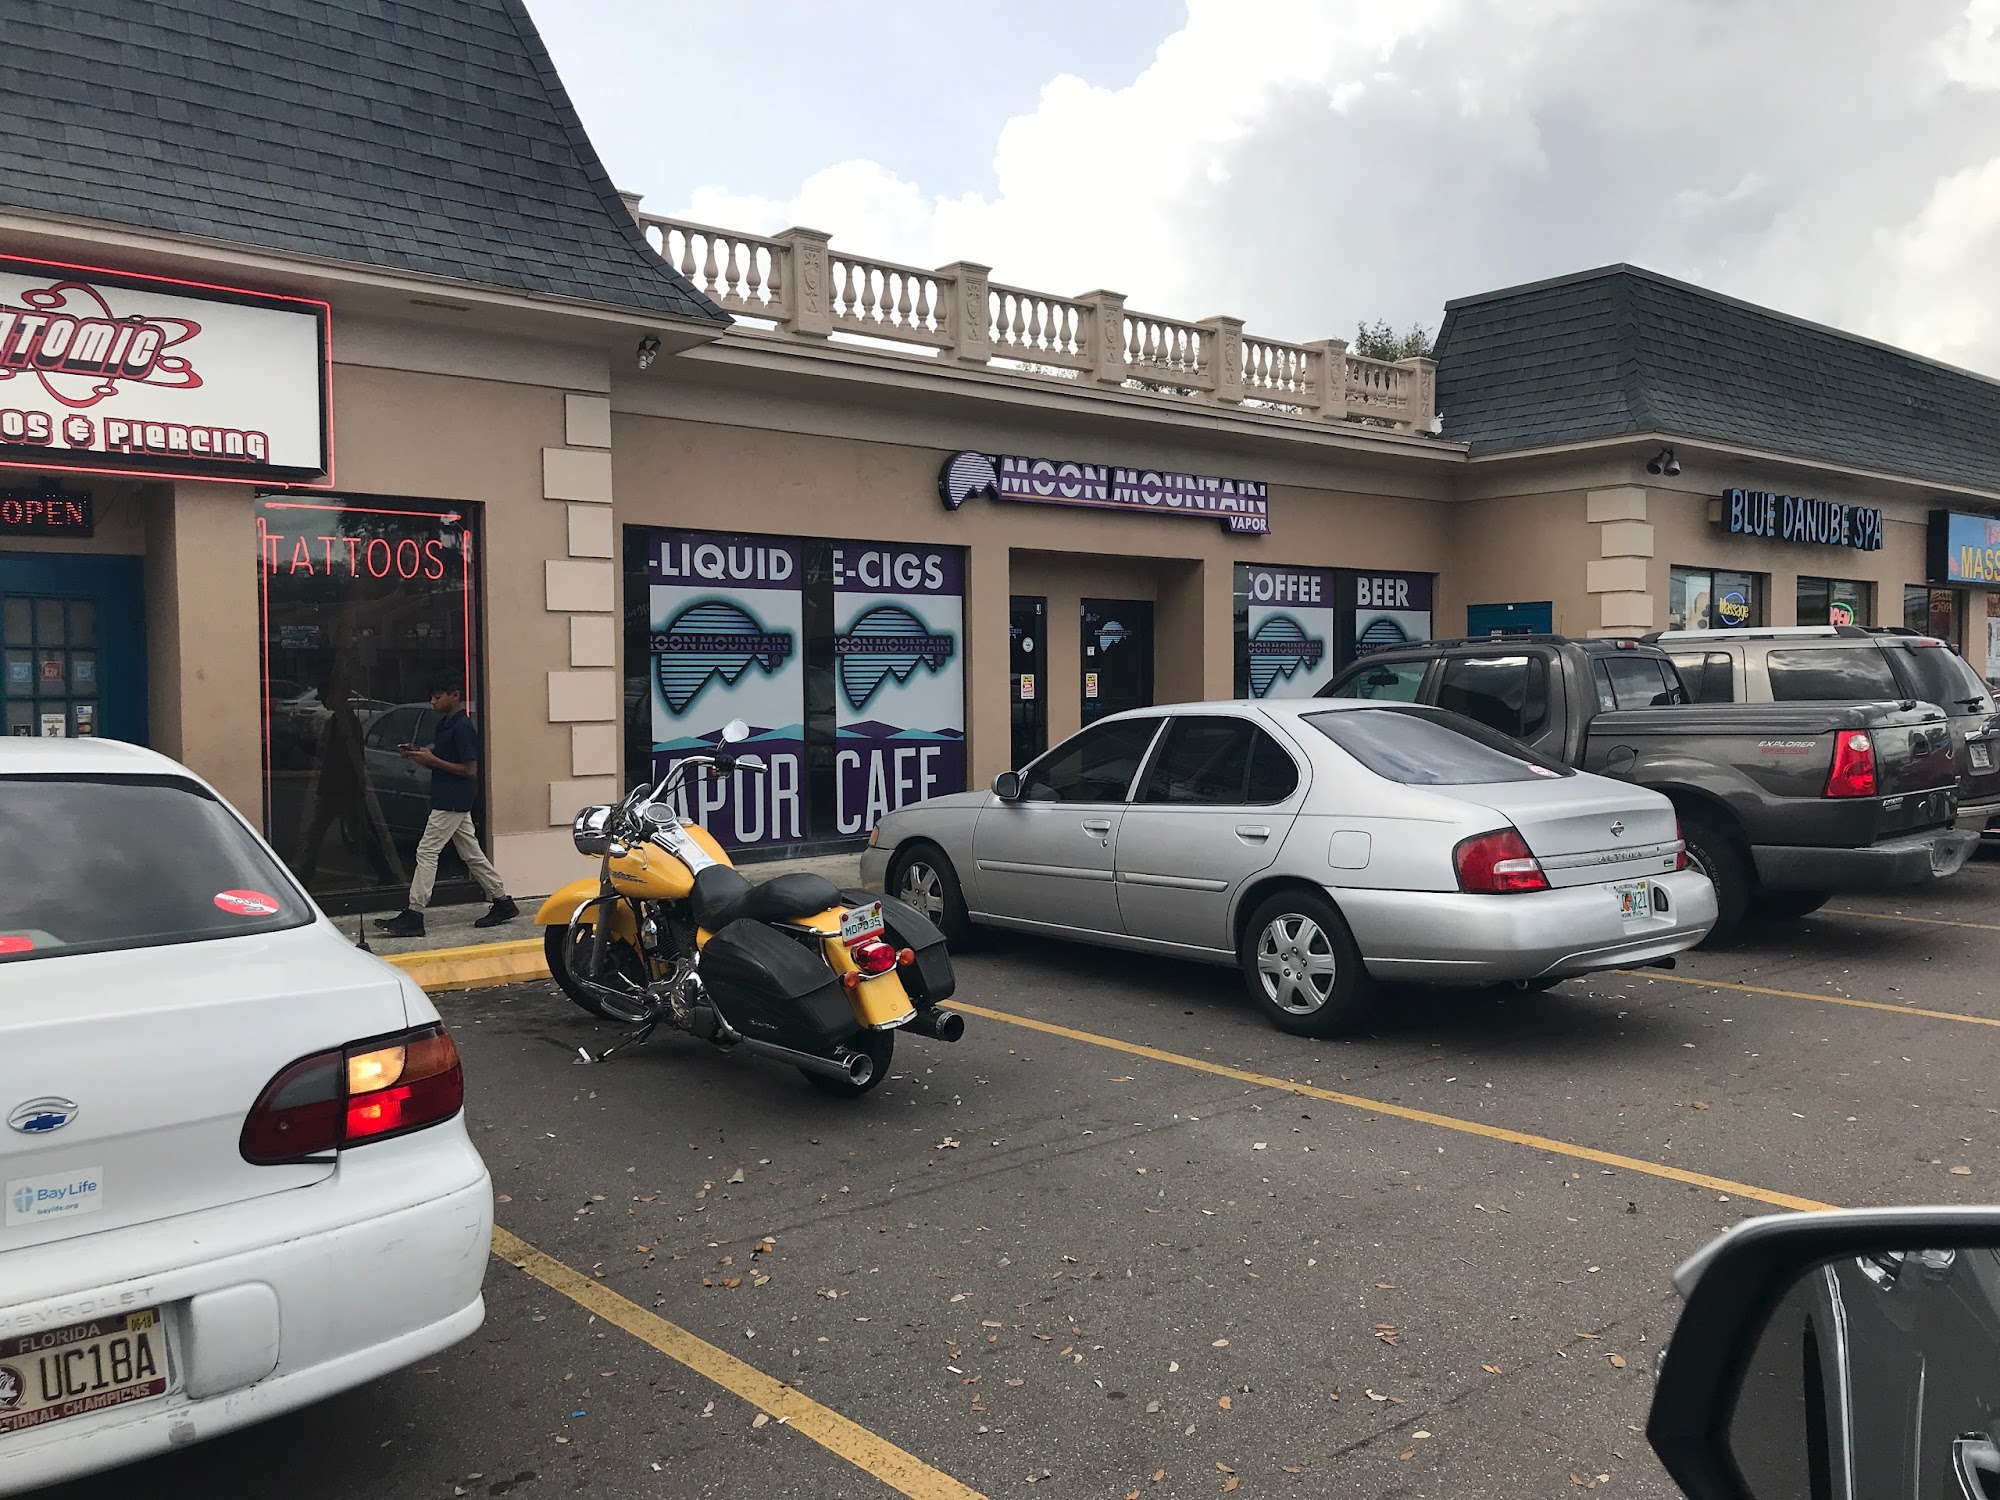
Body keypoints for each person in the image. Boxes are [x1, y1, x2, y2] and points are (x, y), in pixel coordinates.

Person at [374, 677, 517, 938]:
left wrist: (433, 760)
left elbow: (469, 769)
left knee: (427, 851)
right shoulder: (445, 724)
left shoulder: (462, 727)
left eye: (438, 697)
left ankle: (414, 913)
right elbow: (444, 762)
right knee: (471, 853)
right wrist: (420, 757)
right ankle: (502, 900)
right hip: (449, 797)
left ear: (454, 695)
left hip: (452, 798)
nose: (433, 702)